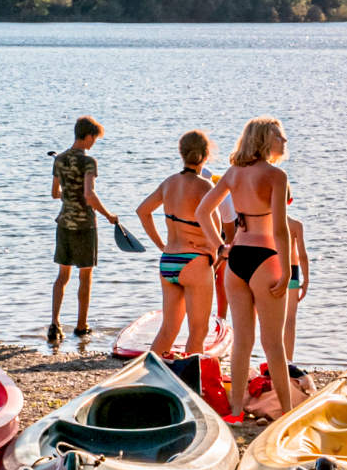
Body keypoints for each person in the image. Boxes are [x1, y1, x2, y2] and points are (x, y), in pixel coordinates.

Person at [197, 117, 293, 420]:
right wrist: (289, 271)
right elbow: (280, 230)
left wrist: (220, 248)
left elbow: (203, 212)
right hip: (266, 258)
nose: (285, 141)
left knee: (242, 341)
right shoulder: (276, 176)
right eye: (280, 136)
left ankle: (236, 411)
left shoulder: (233, 173)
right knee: (273, 344)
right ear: (266, 140)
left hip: (236, 259)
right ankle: (288, 413)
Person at [135, 131, 220, 357]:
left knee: (168, 329)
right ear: (206, 155)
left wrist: (161, 245)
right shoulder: (205, 186)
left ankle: (150, 377)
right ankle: (193, 383)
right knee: (198, 331)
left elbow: (142, 211)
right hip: (195, 261)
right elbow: (216, 230)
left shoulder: (169, 182)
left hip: (169, 261)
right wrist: (215, 256)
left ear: (181, 153)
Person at [50, 116, 119, 344]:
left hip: (64, 223)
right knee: (85, 276)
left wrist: (69, 197)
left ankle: (55, 323)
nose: (94, 143)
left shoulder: (59, 159)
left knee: (62, 276)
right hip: (84, 226)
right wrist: (109, 215)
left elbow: (54, 193)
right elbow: (90, 195)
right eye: (94, 139)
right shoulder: (89, 162)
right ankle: (81, 326)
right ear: (88, 135)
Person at [282, 210, 309, 369]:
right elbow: (302, 255)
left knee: (271, 319)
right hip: (292, 271)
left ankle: (273, 360)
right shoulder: (296, 225)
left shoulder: (267, 223)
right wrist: (306, 280)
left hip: (272, 269)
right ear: (289, 201)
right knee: (290, 320)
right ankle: (288, 361)